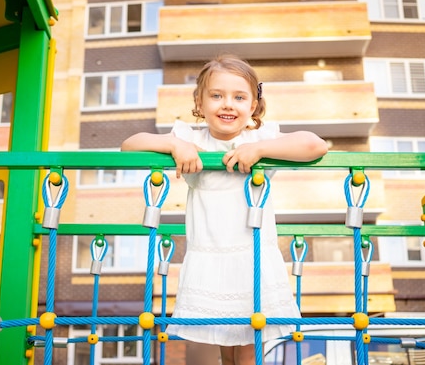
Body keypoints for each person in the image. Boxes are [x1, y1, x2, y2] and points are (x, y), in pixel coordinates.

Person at [121, 55, 328, 365]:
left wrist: (260, 149)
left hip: (252, 261)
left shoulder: (259, 140)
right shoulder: (191, 140)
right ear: (199, 103)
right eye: (216, 95)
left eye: (239, 97)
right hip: (210, 262)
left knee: (247, 350)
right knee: (213, 348)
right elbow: (130, 144)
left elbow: (316, 145)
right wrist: (174, 146)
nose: (227, 104)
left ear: (254, 106)